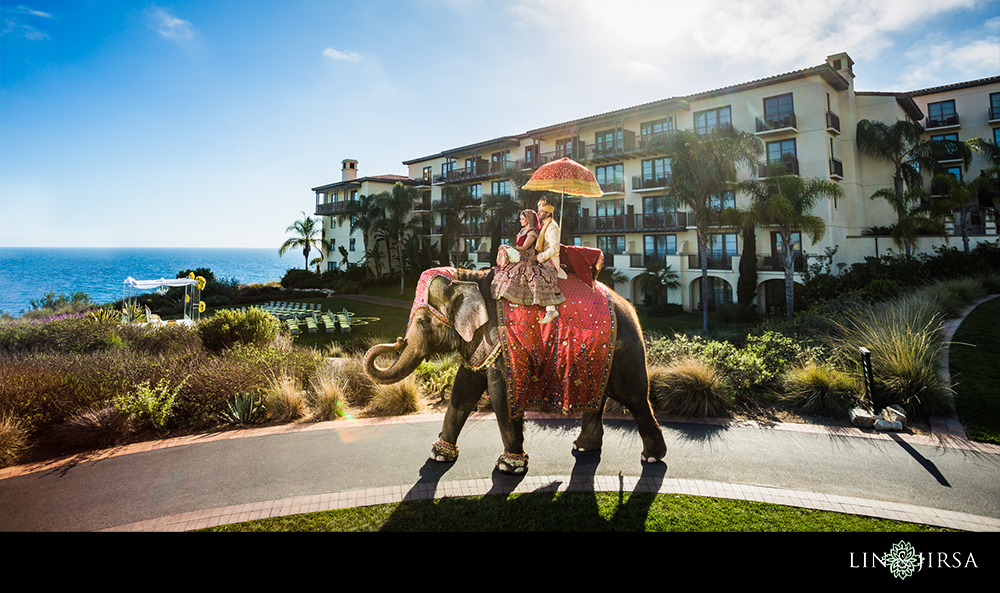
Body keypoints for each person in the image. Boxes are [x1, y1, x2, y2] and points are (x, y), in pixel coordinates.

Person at [491, 209, 565, 321]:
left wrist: (509, 248)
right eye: (520, 219)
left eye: (522, 219)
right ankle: (512, 299)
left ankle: (520, 301)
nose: (520, 221)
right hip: (521, 257)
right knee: (506, 272)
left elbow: (525, 247)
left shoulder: (532, 232)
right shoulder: (523, 230)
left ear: (529, 219)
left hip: (528, 259)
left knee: (521, 274)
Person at [534, 197, 567, 324]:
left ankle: (551, 310)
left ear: (548, 213)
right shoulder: (543, 226)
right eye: (539, 210)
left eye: (541, 211)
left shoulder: (552, 227)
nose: (539, 213)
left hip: (550, 260)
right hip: (542, 257)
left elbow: (554, 248)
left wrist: (539, 257)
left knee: (542, 276)